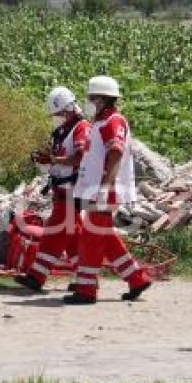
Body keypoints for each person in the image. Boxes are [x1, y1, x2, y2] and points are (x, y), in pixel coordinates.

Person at [67, 76, 152, 305]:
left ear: (103, 99)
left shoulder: (113, 121)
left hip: (104, 190)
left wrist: (105, 187)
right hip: (95, 189)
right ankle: (136, 278)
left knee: (91, 239)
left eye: (92, 98)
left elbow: (115, 153)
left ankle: (86, 290)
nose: (89, 101)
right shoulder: (100, 122)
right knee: (105, 237)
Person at [15, 87, 89, 292]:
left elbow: (80, 157)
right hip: (61, 189)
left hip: (72, 190)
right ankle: (86, 277)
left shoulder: (81, 128)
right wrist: (43, 160)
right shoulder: (62, 131)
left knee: (53, 233)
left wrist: (54, 159)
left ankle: (36, 277)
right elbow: (57, 157)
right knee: (73, 237)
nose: (55, 118)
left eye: (56, 114)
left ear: (67, 110)